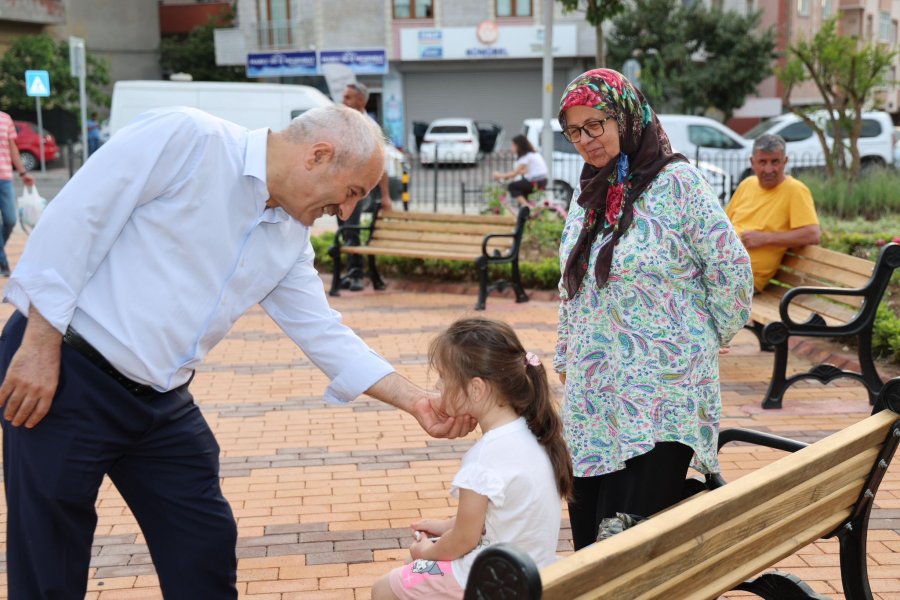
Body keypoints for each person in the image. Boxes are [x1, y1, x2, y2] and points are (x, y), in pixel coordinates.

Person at [0, 104, 474, 599]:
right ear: (318, 155)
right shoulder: (187, 138)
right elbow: (78, 219)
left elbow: (323, 332)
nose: (348, 210)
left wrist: (416, 400)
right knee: (49, 553)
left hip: (161, 400)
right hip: (67, 368)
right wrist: (38, 343)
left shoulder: (290, 236)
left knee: (203, 541)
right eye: (352, 191)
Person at [554, 69, 753, 550]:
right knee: (591, 546)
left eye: (595, 124)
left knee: (629, 548)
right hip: (594, 399)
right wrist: (565, 355)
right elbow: (572, 287)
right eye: (574, 131)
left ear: (623, 116)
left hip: (662, 396)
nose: (585, 140)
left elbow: (732, 271)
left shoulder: (677, 183)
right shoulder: (589, 196)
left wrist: (707, 336)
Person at [372, 316, 573, 600]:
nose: (440, 386)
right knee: (414, 570)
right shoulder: (534, 434)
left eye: (444, 377)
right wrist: (445, 527)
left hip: (491, 578)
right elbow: (497, 516)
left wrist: (426, 550)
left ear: (476, 388)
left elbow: (464, 541)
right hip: (532, 568)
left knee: (384, 588)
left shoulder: (484, 457)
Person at [726, 133, 821, 292]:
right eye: (762, 162)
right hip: (720, 268)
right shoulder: (747, 185)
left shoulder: (795, 190)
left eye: (775, 162)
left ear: (785, 162)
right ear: (752, 162)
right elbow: (724, 225)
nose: (769, 169)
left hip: (744, 280)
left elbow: (812, 234)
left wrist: (765, 238)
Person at [339, 82, 395, 292]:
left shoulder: (369, 126)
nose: (344, 101)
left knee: (352, 229)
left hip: (358, 189)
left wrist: (386, 196)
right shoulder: (344, 123)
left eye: (348, 97)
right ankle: (350, 272)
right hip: (339, 188)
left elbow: (382, 164)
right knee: (344, 230)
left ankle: (357, 275)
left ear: (361, 101)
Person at [0, 111, 35, 276]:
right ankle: (3, 263)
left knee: (10, 219)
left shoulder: (5, 119)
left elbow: (12, 147)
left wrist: (22, 173)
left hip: (5, 178)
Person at [492, 134, 549, 208]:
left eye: (513, 145)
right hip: (542, 181)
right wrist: (507, 177)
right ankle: (526, 211)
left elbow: (515, 173)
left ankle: (528, 208)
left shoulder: (526, 157)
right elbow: (522, 171)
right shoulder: (532, 154)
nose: (511, 148)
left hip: (536, 181)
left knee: (512, 187)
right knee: (521, 193)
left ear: (519, 146)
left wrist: (499, 175)